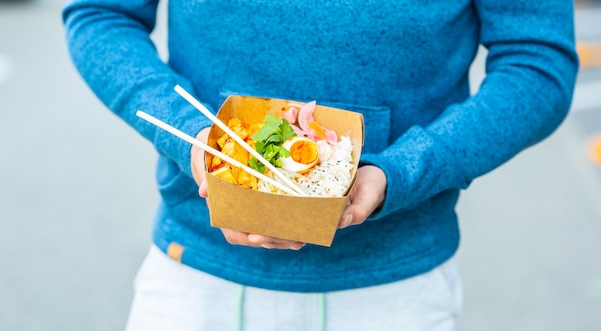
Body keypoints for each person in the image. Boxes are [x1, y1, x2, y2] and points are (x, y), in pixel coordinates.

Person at [62, 1, 579, 330]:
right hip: (196, 274)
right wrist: (196, 139)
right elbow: (101, 15)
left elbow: (536, 63)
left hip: (397, 286)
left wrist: (401, 169)